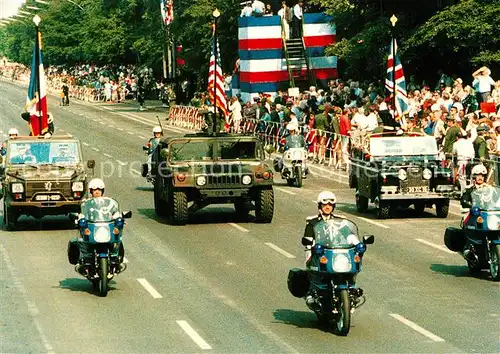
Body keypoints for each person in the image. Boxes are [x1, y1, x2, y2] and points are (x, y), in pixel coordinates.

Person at [301, 191, 361, 308]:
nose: (328, 207)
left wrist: (357, 243)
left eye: (330, 205)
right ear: (320, 206)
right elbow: (308, 238)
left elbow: (348, 236)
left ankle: (351, 292)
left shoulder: (340, 222)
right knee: (312, 266)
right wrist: (310, 245)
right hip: (320, 253)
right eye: (325, 204)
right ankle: (311, 293)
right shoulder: (313, 222)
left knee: (350, 265)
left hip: (336, 253)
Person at [71, 178, 125, 276]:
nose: (97, 192)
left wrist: (119, 218)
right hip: (93, 231)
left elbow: (115, 213)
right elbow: (82, 215)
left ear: (102, 191)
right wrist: (78, 219)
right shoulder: (86, 204)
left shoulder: (109, 204)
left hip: (105, 230)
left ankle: (117, 259)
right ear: (91, 191)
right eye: (94, 190)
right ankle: (85, 260)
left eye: (99, 190)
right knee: (80, 240)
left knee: (118, 238)